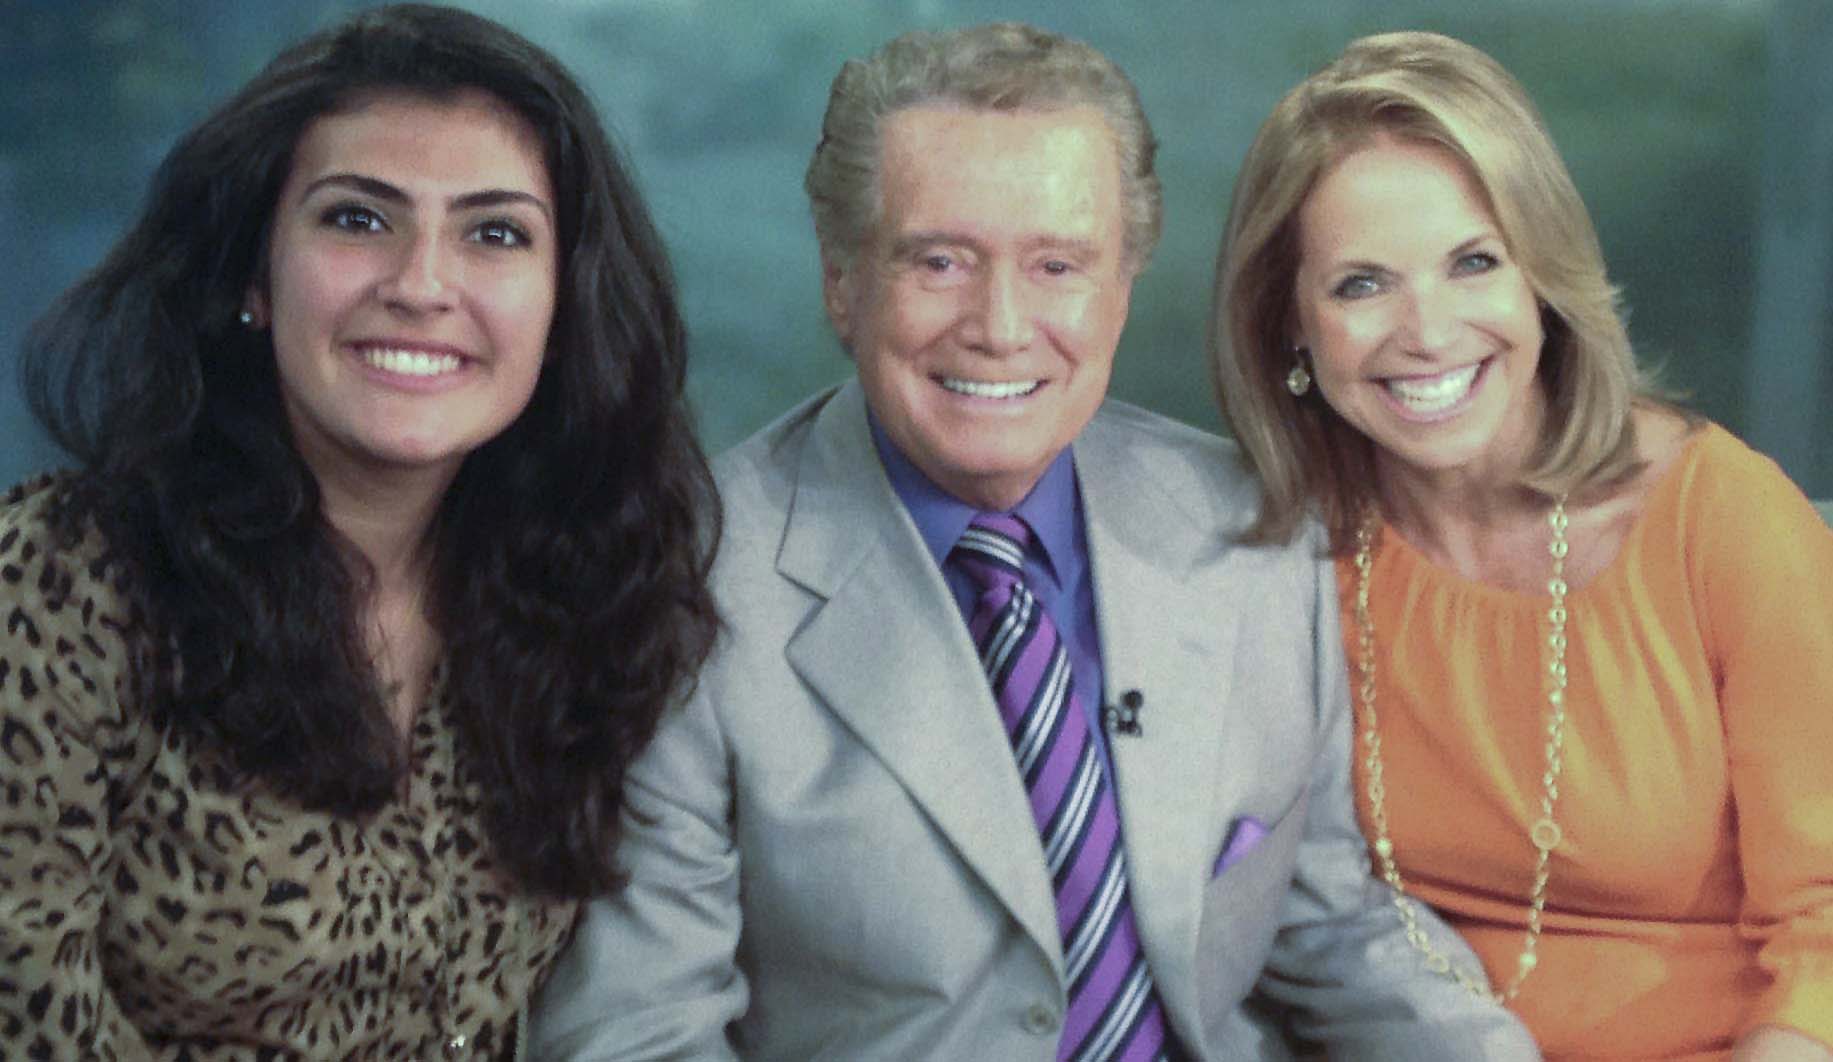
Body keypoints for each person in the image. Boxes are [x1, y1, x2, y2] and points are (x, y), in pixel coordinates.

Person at [531, 22, 1536, 1061]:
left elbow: (1331, 923)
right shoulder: (684, 579)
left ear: (1123, 285)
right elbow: (639, 1032)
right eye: (940, 261)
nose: (1002, 325)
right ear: (843, 281)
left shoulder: (1251, 529)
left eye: (1058, 264)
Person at [0, 5, 719, 1057]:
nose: (422, 285)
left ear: (565, 310)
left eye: (495, 233)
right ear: (253, 276)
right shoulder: (63, 581)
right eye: (357, 219)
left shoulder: (582, 601)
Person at [1210, 29, 1833, 1061]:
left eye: (1473, 263)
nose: (1427, 331)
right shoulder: (1275, 549)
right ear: (1290, 325)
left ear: (1542, 279)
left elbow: (1829, 930)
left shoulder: (1723, 517)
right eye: (1362, 284)